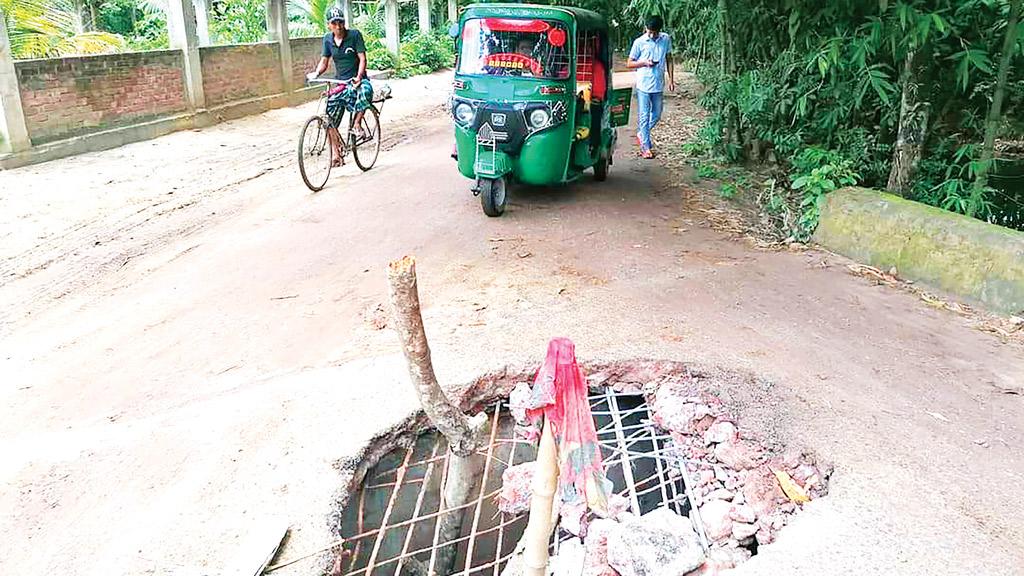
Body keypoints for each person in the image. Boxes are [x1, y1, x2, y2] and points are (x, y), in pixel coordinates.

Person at [307, 6, 373, 167]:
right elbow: (324, 61)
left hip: (356, 80)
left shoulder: (355, 35)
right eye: (334, 23)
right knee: (329, 118)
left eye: (340, 22)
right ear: (329, 25)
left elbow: (362, 59)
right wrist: (316, 73)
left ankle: (357, 123)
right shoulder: (327, 39)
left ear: (344, 23)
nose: (338, 26)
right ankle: (336, 154)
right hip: (341, 83)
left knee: (366, 91)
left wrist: (358, 77)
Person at [627, 15, 676, 159]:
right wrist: (644, 63)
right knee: (643, 115)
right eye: (649, 31)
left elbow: (669, 59)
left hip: (658, 84)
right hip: (643, 84)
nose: (652, 34)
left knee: (657, 114)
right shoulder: (639, 42)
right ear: (645, 28)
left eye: (655, 32)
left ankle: (642, 134)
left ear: (660, 31)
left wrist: (672, 80)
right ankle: (646, 148)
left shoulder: (665, 39)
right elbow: (629, 63)